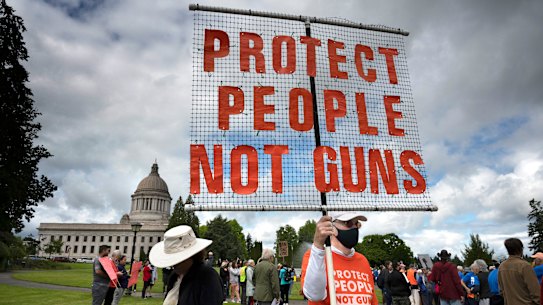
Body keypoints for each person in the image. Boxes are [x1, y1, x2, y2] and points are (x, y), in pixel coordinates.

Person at [301, 212, 378, 305]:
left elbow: (372, 300)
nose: (354, 228)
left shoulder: (363, 260)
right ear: (330, 226)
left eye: (356, 224)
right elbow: (314, 295)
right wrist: (318, 245)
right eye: (348, 223)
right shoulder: (316, 255)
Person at [149, 225, 223, 305]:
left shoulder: (208, 277)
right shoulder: (174, 276)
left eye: (177, 258)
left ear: (191, 256)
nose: (173, 263)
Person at [497, 238, 540, 305]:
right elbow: (535, 291)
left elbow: (501, 290)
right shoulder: (525, 266)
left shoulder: (502, 266)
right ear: (520, 249)